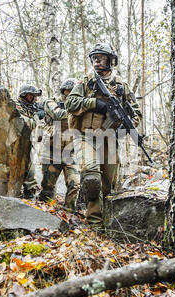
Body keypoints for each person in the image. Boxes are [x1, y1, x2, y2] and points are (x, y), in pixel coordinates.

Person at [65, 43, 142, 224]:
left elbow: (136, 113)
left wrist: (125, 129)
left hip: (109, 139)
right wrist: (93, 103)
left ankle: (108, 222)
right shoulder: (85, 82)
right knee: (92, 176)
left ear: (110, 60)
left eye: (100, 58)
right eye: (94, 59)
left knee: (108, 185)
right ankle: (94, 224)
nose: (96, 62)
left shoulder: (122, 85)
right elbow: (70, 104)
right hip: (85, 136)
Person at [38, 79, 80, 210]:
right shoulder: (51, 102)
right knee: (48, 188)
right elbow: (59, 114)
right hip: (52, 151)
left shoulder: (79, 104)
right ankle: (45, 215)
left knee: (75, 185)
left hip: (70, 152)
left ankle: (69, 214)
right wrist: (80, 109)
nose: (73, 94)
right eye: (70, 92)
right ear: (64, 90)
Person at [16, 84, 45, 199]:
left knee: (30, 171)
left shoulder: (29, 106)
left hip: (26, 144)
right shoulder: (16, 106)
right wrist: (37, 116)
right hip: (15, 145)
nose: (36, 99)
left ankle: (29, 194)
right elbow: (26, 125)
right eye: (34, 96)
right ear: (27, 95)